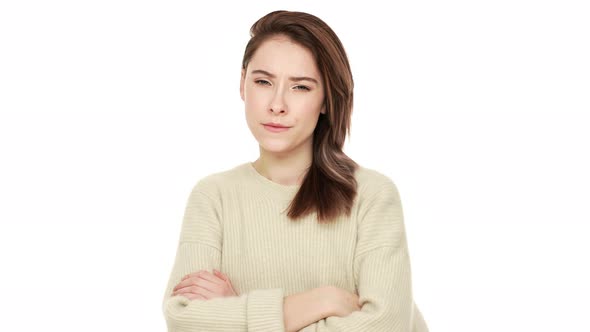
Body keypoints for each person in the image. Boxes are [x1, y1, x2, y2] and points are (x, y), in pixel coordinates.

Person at [161, 9, 429, 332]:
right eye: (263, 81)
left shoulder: (371, 196)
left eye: (300, 87)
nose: (277, 104)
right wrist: (323, 300)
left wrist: (239, 310)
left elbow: (386, 325)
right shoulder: (213, 197)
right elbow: (183, 320)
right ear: (242, 84)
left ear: (327, 100)